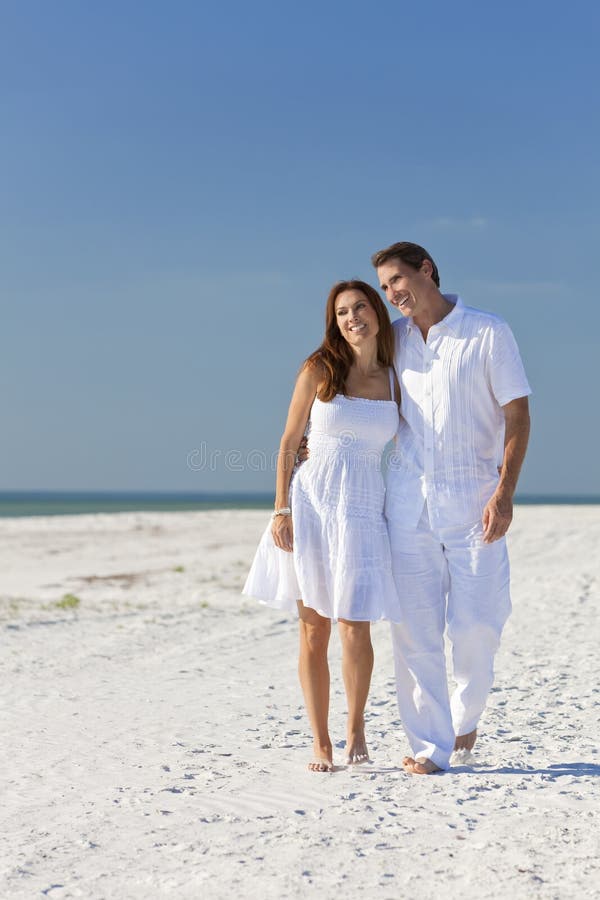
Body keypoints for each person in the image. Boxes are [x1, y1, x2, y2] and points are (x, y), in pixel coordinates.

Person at [372, 241, 531, 775]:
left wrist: (504, 492)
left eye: (397, 280)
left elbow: (518, 415)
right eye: (385, 287)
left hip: (475, 503)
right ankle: (429, 748)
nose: (392, 294)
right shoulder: (390, 342)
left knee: (477, 625)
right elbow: (351, 388)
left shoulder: (488, 332)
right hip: (407, 506)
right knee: (413, 631)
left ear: (427, 270)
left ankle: (465, 717)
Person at [243, 280, 401, 772]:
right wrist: (280, 507)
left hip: (363, 510)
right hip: (311, 504)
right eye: (341, 313)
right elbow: (291, 439)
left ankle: (356, 728)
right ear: (333, 322)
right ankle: (321, 741)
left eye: (360, 308)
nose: (352, 318)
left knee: (357, 626)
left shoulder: (397, 377)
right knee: (314, 630)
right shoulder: (319, 368)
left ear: (377, 311)